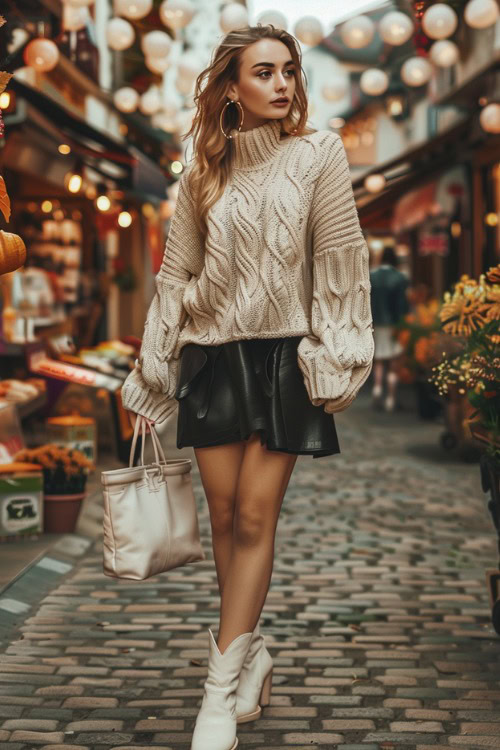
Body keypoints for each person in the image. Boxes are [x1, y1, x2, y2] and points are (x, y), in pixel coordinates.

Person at [123, 23, 374, 750]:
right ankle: (251, 653)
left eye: (289, 71)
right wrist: (152, 370)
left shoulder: (319, 154)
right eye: (264, 72)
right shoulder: (203, 169)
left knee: (257, 517)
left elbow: (339, 259)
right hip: (212, 357)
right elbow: (176, 276)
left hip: (284, 360)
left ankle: (217, 692)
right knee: (228, 518)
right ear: (230, 86)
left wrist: (338, 354)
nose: (283, 85)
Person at [369, 245, 410, 412]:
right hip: (394, 324)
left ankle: (377, 388)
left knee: (379, 359)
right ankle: (391, 399)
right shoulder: (400, 278)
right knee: (394, 361)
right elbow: (402, 305)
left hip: (376, 323)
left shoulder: (372, 276)